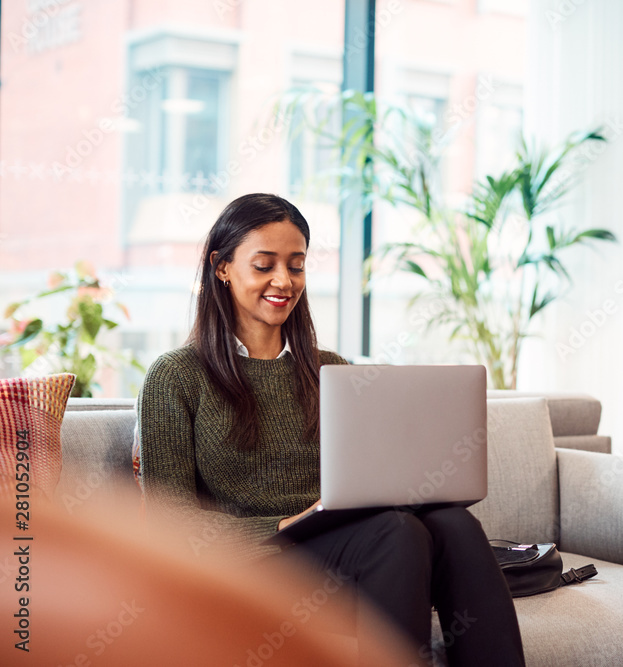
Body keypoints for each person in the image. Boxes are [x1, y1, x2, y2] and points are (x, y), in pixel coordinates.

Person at [137, 193, 525, 666]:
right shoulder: (176, 376)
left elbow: (369, 476)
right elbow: (165, 524)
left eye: (296, 266)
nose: (284, 281)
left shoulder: (333, 371)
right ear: (222, 267)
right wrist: (282, 525)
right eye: (264, 265)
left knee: (453, 522)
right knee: (396, 533)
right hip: (253, 564)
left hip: (344, 547)